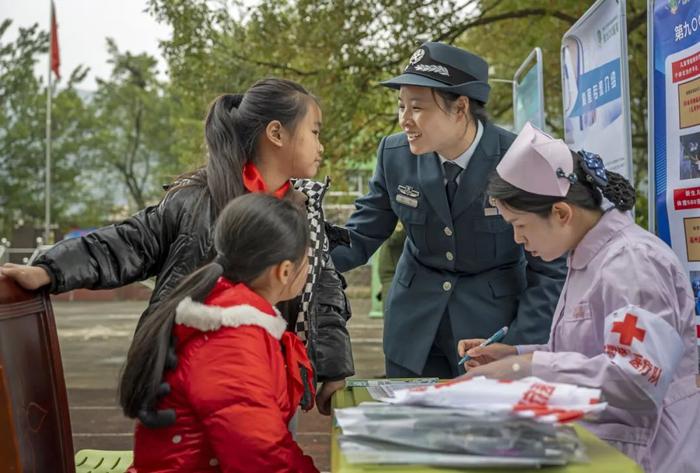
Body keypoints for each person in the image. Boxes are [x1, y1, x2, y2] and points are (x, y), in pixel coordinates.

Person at [0, 78, 353, 414]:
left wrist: (334, 370)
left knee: (264, 451)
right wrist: (50, 269)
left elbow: (323, 292)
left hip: (267, 379)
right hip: (189, 378)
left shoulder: (304, 213)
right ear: (276, 133)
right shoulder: (196, 199)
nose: (321, 145)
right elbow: (128, 241)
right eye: (315, 132)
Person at [458, 123, 700, 473]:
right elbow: (592, 355)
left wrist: (523, 368)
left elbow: (637, 377)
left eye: (520, 225)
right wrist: (516, 353)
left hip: (650, 457)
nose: (517, 239)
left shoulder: (631, 264)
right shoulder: (590, 257)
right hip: (605, 450)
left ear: (560, 213)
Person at [330, 42, 566, 378]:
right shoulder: (395, 155)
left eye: (417, 108)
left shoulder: (519, 159)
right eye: (401, 107)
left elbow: (550, 269)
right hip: (412, 333)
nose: (405, 121)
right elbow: (361, 233)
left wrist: (517, 345)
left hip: (490, 333)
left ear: (460, 108)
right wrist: (299, 259)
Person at [121, 193, 319, 472]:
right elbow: (261, 458)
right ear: (285, 271)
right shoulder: (232, 341)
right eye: (308, 260)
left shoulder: (224, 312)